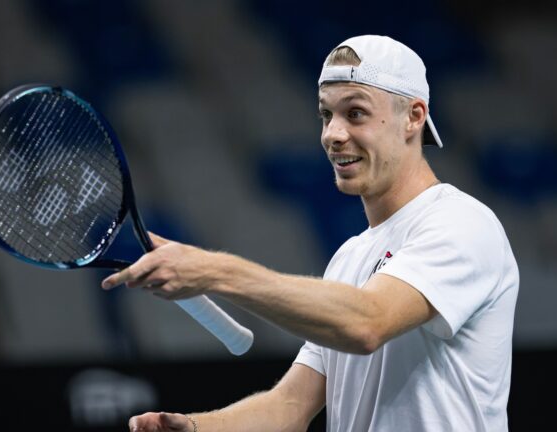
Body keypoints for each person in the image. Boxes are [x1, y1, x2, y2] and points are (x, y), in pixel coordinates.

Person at [102, 34, 519, 431]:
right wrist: (194, 427)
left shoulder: (462, 223)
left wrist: (213, 271)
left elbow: (367, 323)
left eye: (355, 112)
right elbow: (288, 410)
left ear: (413, 117)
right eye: (326, 114)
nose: (332, 135)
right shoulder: (350, 258)